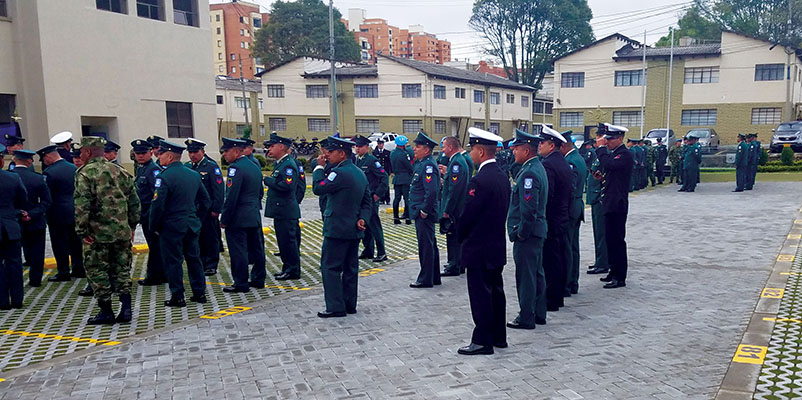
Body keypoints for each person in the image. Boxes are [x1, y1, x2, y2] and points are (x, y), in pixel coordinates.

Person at [74, 136, 140, 324]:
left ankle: (106, 311)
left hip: (97, 234)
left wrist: (82, 231)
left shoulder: (85, 173)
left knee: (97, 270)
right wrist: (132, 226)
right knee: (122, 269)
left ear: (87, 152)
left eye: (81, 152)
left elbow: (82, 205)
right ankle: (126, 309)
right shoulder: (121, 171)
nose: (80, 155)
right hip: (121, 232)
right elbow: (134, 202)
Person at [456, 127, 511, 355]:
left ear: (480, 151)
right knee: (496, 292)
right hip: (496, 245)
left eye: (472, 150)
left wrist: (459, 235)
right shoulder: (502, 176)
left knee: (480, 295)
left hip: (479, 247)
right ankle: (499, 336)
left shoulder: (479, 180)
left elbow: (469, 215)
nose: (470, 154)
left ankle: (482, 340)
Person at [311, 136, 371, 318]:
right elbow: (367, 201)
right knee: (350, 268)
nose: (327, 155)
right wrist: (363, 218)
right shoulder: (359, 172)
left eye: (331, 152)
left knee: (330, 267)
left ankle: (335, 306)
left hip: (337, 228)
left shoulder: (339, 173)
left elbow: (318, 188)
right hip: (353, 228)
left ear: (342, 154)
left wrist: (318, 168)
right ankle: (349, 304)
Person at [149, 140, 211, 307]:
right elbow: (205, 201)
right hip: (191, 224)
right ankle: (200, 293)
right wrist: (196, 218)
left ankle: (178, 296)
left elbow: (157, 205)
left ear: (169, 156)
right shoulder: (193, 175)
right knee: (194, 259)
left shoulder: (164, 177)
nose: (158, 157)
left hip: (171, 226)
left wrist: (154, 226)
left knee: (173, 261)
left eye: (161, 154)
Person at [506, 129, 547, 330]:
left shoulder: (529, 173)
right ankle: (538, 312)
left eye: (517, 148)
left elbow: (529, 209)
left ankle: (526, 316)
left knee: (527, 276)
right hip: (537, 231)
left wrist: (522, 232)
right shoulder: (536, 167)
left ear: (527, 150)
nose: (513, 152)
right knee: (536, 273)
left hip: (528, 234)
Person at [220, 137, 266, 293]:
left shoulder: (236, 168)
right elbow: (260, 193)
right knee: (256, 248)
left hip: (238, 217)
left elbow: (231, 197)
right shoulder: (254, 166)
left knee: (238, 250)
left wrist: (225, 219)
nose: (224, 154)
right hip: (253, 214)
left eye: (226, 151)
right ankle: (258, 278)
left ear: (236, 151)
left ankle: (240, 282)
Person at [38, 143, 85, 285]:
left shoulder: (49, 172)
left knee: (59, 243)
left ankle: (63, 271)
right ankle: (79, 269)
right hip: (74, 210)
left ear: (48, 156)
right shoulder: (74, 168)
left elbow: (47, 195)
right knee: (76, 242)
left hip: (57, 212)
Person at [593, 124, 633, 289]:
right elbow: (613, 176)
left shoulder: (624, 154)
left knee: (617, 240)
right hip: (610, 201)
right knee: (609, 239)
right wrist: (602, 179)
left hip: (617, 204)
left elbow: (610, 165)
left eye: (611, 139)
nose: (607, 142)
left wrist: (601, 149)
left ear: (620, 138)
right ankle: (613, 270)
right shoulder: (615, 154)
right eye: (607, 139)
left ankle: (620, 276)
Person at [538, 125, 571, 311]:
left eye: (542, 142)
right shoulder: (562, 162)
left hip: (552, 217)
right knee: (559, 257)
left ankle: (552, 299)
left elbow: (547, 196)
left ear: (552, 145)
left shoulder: (549, 165)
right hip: (562, 216)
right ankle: (559, 294)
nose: (539, 145)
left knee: (551, 260)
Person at [263, 134, 302, 281]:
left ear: (281, 147)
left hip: (286, 210)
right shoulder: (280, 163)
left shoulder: (288, 165)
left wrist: (268, 180)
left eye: (272, 146)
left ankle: (292, 270)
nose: (269, 149)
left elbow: (287, 185)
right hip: (281, 210)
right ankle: (287, 268)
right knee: (283, 242)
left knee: (288, 242)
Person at [10, 150, 51, 288]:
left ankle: (14, 281)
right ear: (29, 161)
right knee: (37, 252)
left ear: (14, 160)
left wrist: (19, 213)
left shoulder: (8, 177)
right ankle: (35, 280)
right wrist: (31, 214)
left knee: (13, 254)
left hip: (13, 221)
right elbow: (46, 202)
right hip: (35, 220)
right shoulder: (38, 178)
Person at [186, 139, 224, 276]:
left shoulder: (211, 167)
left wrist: (216, 209)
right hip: (194, 209)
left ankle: (211, 264)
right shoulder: (188, 166)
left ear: (202, 151)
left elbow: (218, 189)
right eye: (190, 152)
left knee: (211, 237)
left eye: (195, 152)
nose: (192, 155)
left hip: (208, 210)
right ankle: (201, 261)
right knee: (198, 237)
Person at [408, 132, 442, 288]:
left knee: (426, 246)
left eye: (418, 146)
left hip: (424, 213)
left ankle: (426, 278)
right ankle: (434, 276)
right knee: (430, 244)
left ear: (427, 150)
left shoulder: (428, 166)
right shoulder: (422, 163)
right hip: (421, 211)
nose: (414, 149)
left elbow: (432, 191)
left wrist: (424, 210)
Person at [131, 140, 166, 286]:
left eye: (143, 153)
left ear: (151, 153)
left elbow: (156, 196)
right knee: (155, 246)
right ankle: (161, 274)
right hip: (144, 214)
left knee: (155, 246)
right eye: (137, 153)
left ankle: (154, 276)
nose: (140, 156)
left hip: (151, 215)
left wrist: (155, 218)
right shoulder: (141, 169)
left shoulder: (153, 170)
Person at [0, 143, 28, 310]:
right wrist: (15, 211)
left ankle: (2, 301)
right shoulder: (13, 178)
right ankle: (17, 300)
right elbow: (23, 199)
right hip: (10, 225)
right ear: (1, 161)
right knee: (15, 263)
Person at [354, 135, 389, 263]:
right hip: (362, 199)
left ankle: (381, 252)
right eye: (356, 146)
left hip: (371, 198)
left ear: (367, 147)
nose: (357, 149)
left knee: (374, 225)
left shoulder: (372, 160)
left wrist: (378, 194)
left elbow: (384, 177)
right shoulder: (357, 160)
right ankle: (368, 250)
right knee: (365, 225)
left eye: (360, 146)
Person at [438, 136, 470, 277]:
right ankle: (458, 263)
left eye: (444, 147)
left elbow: (454, 190)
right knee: (456, 236)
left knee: (453, 237)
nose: (442, 150)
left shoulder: (456, 163)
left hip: (455, 209)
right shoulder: (457, 161)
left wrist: (447, 210)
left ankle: (454, 265)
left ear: (450, 147)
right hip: (458, 207)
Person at [560, 131, 587, 296]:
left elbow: (570, 188)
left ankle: (569, 282)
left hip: (571, 207)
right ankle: (573, 281)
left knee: (568, 247)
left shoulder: (571, 161)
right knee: (573, 246)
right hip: (576, 206)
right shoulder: (577, 158)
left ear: (564, 146)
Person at [586, 131, 610, 276]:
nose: (597, 140)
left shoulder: (604, 155)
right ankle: (599, 260)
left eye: (600, 137)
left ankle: (603, 263)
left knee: (601, 232)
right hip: (595, 198)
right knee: (597, 232)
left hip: (600, 198)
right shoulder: (597, 155)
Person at [390, 136, 414, 225]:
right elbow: (409, 166)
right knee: (407, 198)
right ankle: (408, 218)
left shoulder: (392, 153)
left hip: (397, 178)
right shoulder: (404, 154)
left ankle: (396, 217)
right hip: (405, 178)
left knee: (397, 198)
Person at [373, 139, 392, 204]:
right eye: (379, 144)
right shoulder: (375, 153)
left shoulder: (387, 152)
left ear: (383, 144)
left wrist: (391, 171)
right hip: (378, 172)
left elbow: (389, 163)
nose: (380, 145)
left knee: (386, 185)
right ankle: (381, 199)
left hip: (385, 171)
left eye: (381, 144)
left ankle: (387, 199)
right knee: (379, 185)